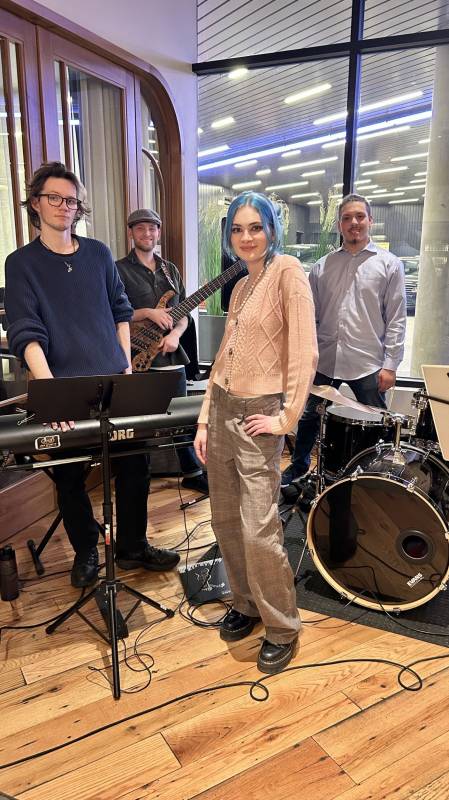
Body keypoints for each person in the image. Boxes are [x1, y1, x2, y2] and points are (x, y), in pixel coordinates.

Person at [5, 162, 179, 588]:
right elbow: (26, 332)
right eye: (54, 198)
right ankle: (86, 551)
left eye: (71, 200)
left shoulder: (99, 254)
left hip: (113, 379)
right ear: (35, 203)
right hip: (60, 385)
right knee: (69, 477)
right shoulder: (21, 263)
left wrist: (125, 367)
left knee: (135, 465)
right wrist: (51, 391)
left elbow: (121, 312)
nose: (64, 206)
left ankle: (132, 546)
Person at [194, 191, 318, 675]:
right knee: (225, 519)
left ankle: (282, 626)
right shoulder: (242, 285)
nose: (246, 237)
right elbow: (223, 360)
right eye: (237, 229)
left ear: (271, 229)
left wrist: (285, 419)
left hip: (258, 413)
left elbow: (304, 353)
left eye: (255, 227)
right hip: (224, 408)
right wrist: (205, 418)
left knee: (259, 526)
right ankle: (246, 604)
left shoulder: (288, 271)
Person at [281, 193, 407, 487]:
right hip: (324, 359)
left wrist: (390, 365)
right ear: (340, 224)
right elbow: (308, 316)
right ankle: (299, 467)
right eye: (347, 218)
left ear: (370, 221)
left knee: (377, 422)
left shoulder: (389, 265)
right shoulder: (322, 266)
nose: (354, 223)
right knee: (309, 417)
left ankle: (376, 476)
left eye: (359, 216)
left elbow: (397, 318)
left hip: (367, 362)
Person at [116, 209, 208, 494]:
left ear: (159, 232)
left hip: (171, 357)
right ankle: (138, 478)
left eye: (152, 228)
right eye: (141, 228)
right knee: (140, 423)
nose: (147, 234)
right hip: (136, 357)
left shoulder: (171, 270)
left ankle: (192, 472)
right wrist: (147, 312)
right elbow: (112, 313)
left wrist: (176, 336)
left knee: (180, 419)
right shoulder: (118, 269)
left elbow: (183, 313)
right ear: (131, 232)